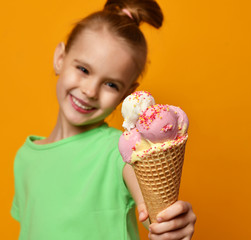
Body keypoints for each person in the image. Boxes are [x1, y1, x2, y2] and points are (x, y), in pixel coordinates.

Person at [11, 0, 196, 239]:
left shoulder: (123, 150)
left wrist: (173, 224)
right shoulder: (25, 158)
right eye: (84, 69)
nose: (90, 91)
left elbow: (157, 216)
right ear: (60, 57)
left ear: (127, 94)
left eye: (111, 84)